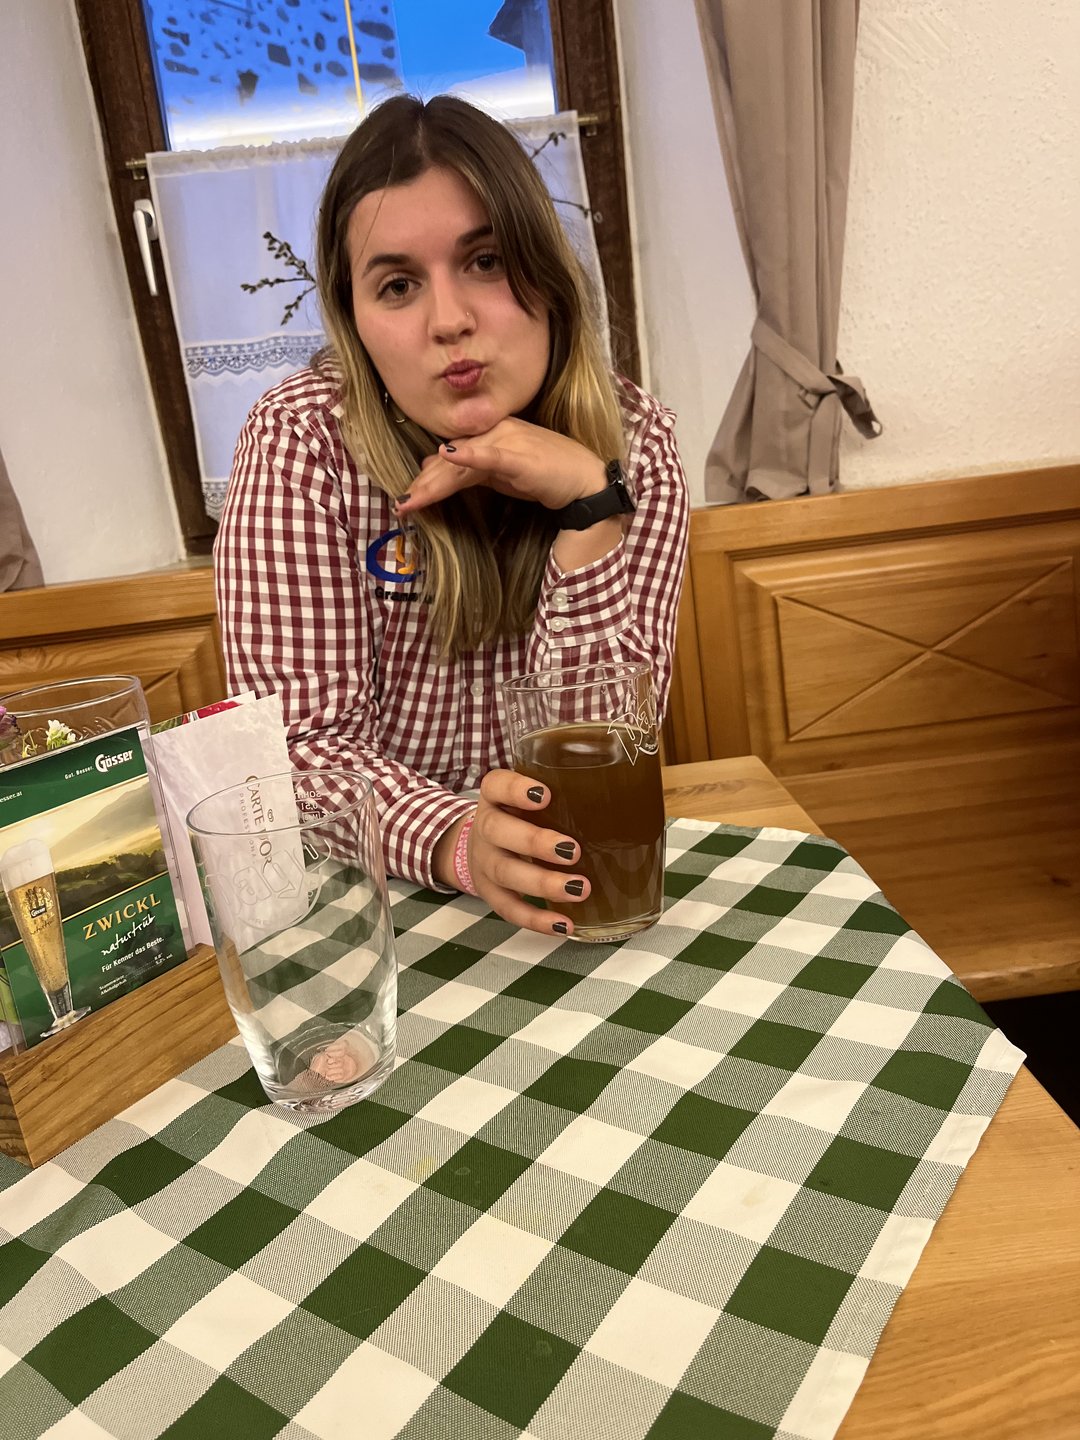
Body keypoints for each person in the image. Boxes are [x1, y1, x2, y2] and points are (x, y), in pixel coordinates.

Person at [215, 94, 688, 938]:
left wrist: (590, 508)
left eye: (486, 261)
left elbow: (614, 748)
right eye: (398, 285)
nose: (450, 321)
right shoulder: (302, 442)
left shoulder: (637, 442)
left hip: (574, 883)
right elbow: (298, 754)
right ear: (354, 323)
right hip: (371, 904)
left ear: (550, 277)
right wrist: (458, 840)